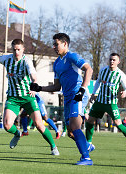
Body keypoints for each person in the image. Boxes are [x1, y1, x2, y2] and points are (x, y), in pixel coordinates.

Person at [0, 39, 59, 155]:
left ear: (23, 50)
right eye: (14, 50)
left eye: (19, 49)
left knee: (39, 124)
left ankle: (53, 147)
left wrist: (34, 85)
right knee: (7, 126)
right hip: (13, 98)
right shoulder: (7, 59)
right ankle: (17, 134)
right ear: (12, 49)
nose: (16, 52)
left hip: (28, 97)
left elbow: (33, 74)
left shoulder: (26, 61)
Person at [30, 33, 94, 165]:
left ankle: (86, 158)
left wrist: (82, 89)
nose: (54, 47)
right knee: (71, 132)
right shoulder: (57, 63)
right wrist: (39, 88)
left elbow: (89, 69)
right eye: (53, 44)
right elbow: (56, 86)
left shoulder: (72, 56)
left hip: (78, 94)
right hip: (67, 97)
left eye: (56, 44)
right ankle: (87, 146)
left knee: (75, 126)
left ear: (65, 44)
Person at [85, 53, 126, 152]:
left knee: (118, 123)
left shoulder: (121, 74)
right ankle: (88, 143)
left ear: (118, 62)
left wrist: (125, 92)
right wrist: (94, 93)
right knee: (89, 120)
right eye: (110, 59)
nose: (111, 61)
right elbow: (98, 82)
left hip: (111, 103)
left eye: (114, 60)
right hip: (100, 102)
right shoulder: (103, 70)